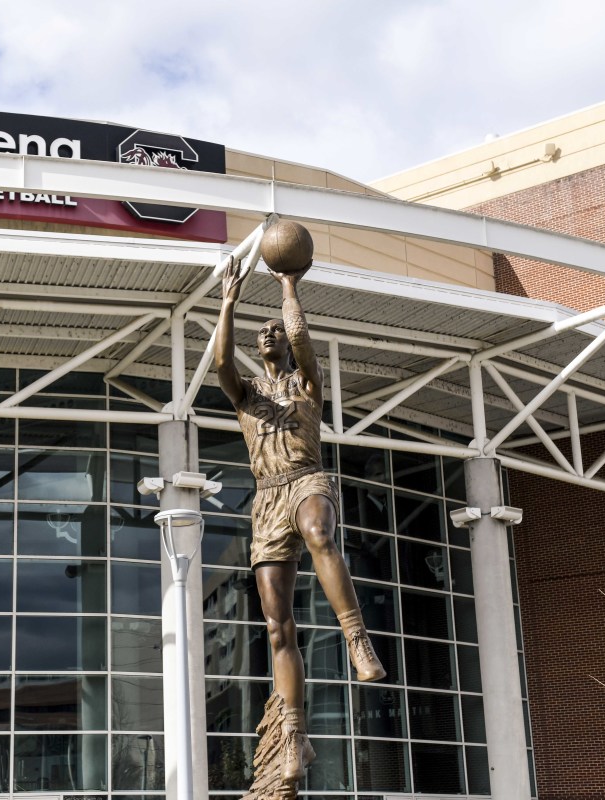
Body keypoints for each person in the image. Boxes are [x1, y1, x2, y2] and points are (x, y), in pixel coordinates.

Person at [215, 254, 385, 788]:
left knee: (319, 532)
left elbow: (305, 342)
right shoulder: (247, 395)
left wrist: (288, 288)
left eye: (275, 330)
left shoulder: (306, 385)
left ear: (286, 343)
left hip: (307, 480)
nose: (267, 334)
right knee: (276, 626)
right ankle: (295, 735)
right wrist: (228, 301)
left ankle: (356, 638)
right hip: (266, 499)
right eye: (260, 331)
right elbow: (220, 364)